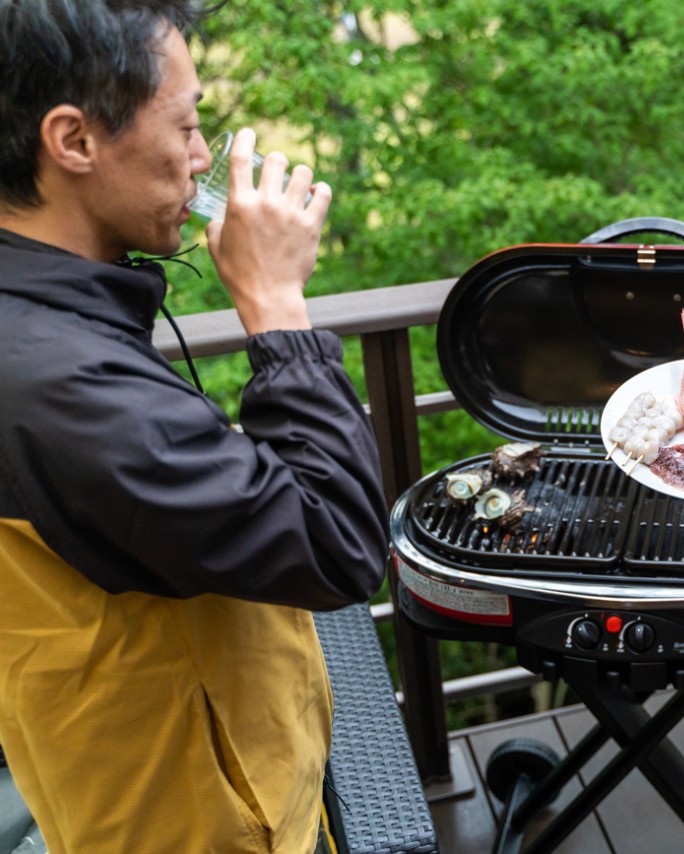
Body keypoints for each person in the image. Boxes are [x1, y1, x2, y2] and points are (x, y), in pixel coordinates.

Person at [0, 2, 389, 852]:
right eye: (187, 122)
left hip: (105, 790)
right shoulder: (68, 386)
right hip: (200, 824)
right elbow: (338, 548)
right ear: (73, 141)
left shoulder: (37, 328)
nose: (204, 157)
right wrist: (277, 308)